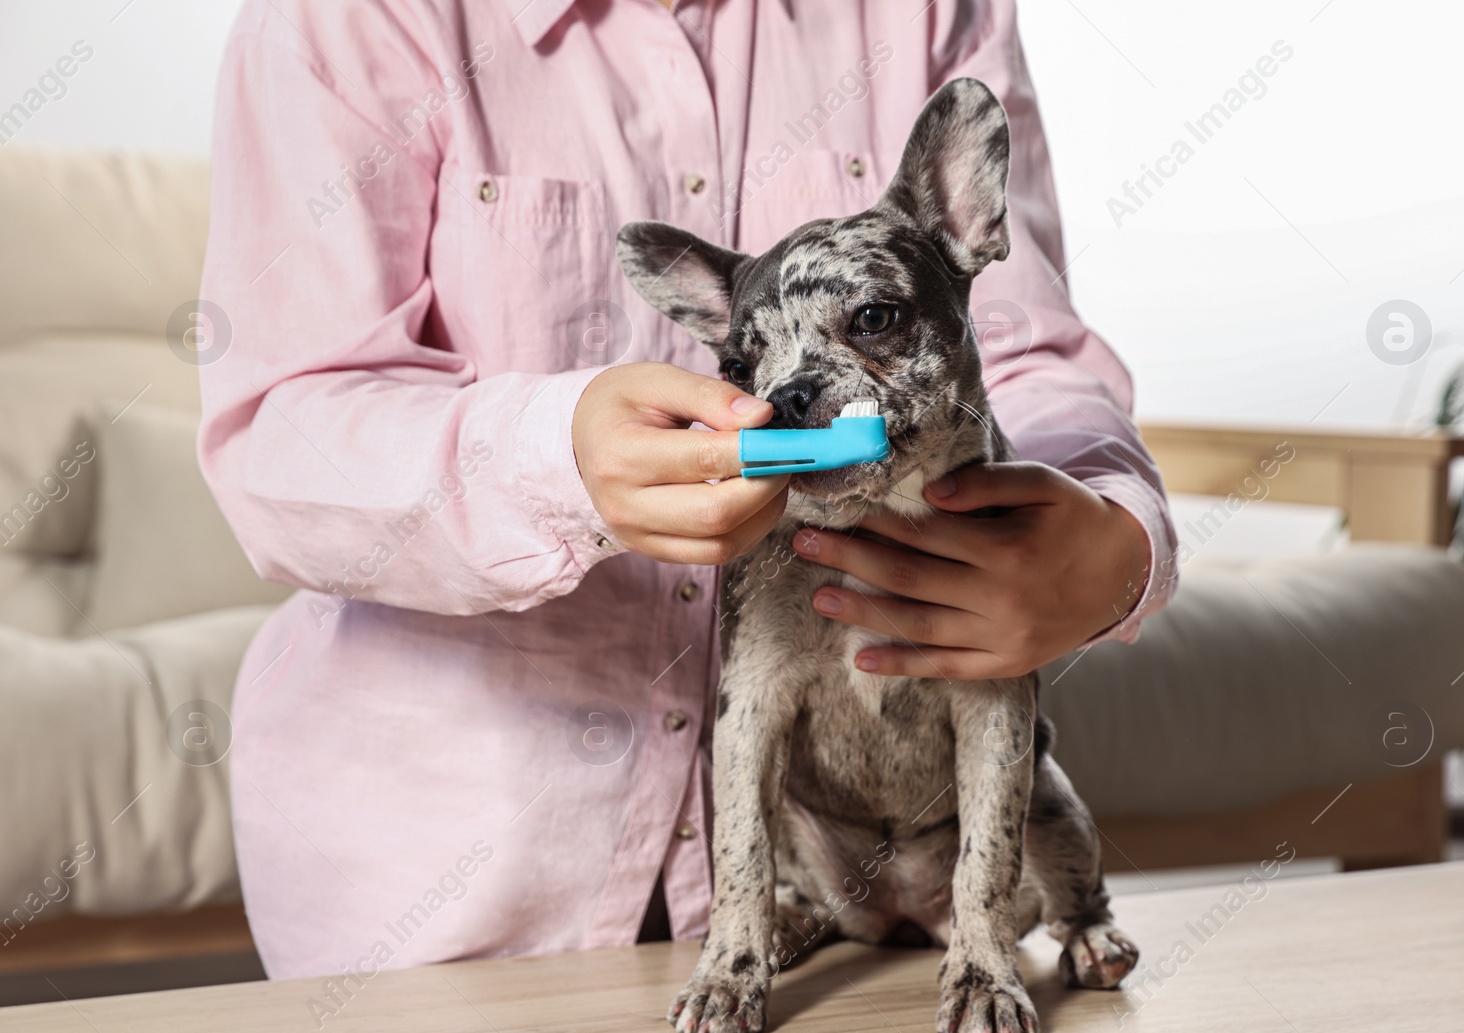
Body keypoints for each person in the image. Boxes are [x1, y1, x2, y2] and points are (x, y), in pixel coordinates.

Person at [198, 0, 1177, 980]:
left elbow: (1024, 346)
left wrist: (1114, 540)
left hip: (874, 925)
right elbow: (276, 435)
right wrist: (551, 457)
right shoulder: (341, 20)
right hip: (451, 904)